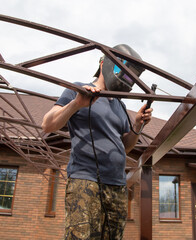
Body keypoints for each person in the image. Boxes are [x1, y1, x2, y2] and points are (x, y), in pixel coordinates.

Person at [41, 44, 153, 240]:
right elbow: (47, 125)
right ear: (104, 63)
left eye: (131, 76)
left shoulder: (120, 104)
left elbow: (126, 146)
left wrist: (137, 124)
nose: (127, 79)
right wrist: (77, 103)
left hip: (117, 185)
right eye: (123, 71)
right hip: (86, 181)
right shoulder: (77, 90)